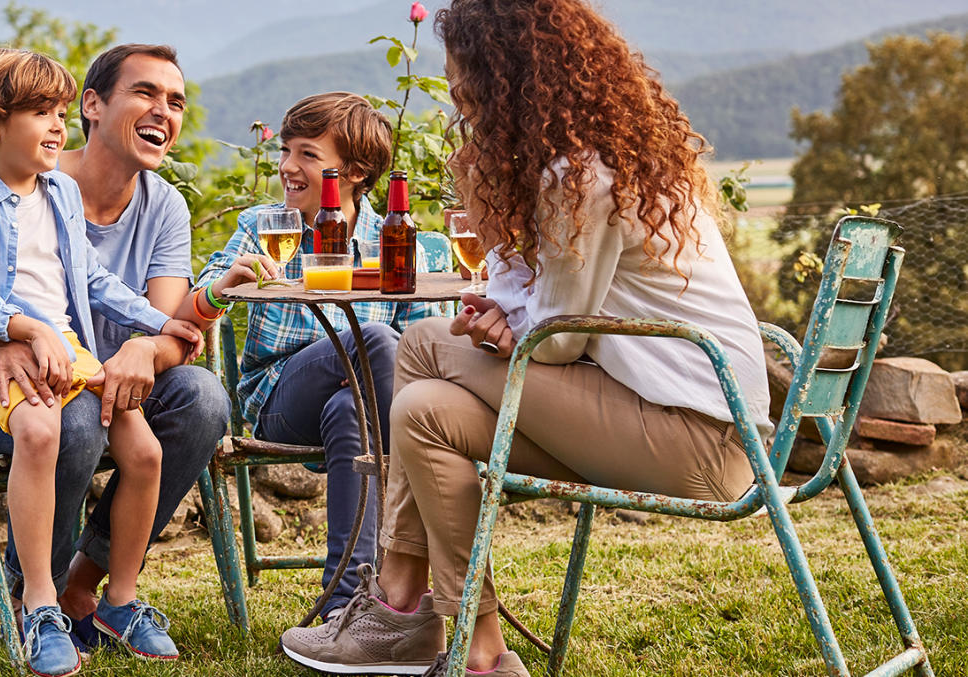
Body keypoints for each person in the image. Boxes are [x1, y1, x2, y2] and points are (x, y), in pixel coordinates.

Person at [277, 2, 774, 676]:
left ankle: (397, 606)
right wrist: (506, 309)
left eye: (465, 89)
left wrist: (509, 314)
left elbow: (559, 340)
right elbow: (543, 308)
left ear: (506, 77)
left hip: (698, 437)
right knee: (422, 413)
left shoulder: (580, 175)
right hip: (653, 413)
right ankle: (480, 654)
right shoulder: (602, 161)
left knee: (421, 345)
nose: (462, 109)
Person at [0, 44, 229, 664]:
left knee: (163, 433)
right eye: (146, 94)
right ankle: (39, 602)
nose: (56, 123)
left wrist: (162, 327)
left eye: (175, 100)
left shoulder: (84, 199)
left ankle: (111, 596)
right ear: (96, 107)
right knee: (58, 428)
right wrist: (10, 334)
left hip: (70, 356)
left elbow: (95, 279)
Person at [187, 92, 444, 622]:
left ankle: (344, 604)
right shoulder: (264, 226)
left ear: (352, 171)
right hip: (280, 403)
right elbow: (201, 294)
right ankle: (414, 560)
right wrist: (223, 287)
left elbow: (421, 353)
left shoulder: (395, 240)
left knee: (355, 407)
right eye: (286, 151)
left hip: (362, 414)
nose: (286, 167)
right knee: (374, 338)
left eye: (306, 154)